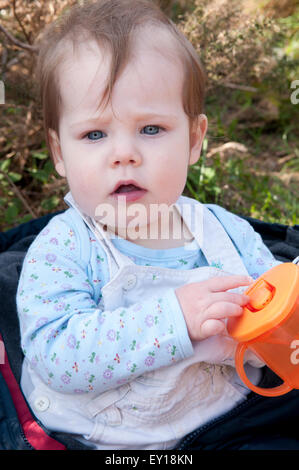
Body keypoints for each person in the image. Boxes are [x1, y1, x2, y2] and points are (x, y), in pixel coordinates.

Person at [16, 0, 281, 450]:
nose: (125, 154)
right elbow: (54, 355)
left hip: (226, 426)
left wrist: (270, 330)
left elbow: (275, 317)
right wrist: (175, 319)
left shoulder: (226, 234)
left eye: (152, 129)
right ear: (59, 154)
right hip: (99, 437)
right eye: (95, 134)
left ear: (194, 140)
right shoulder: (65, 247)